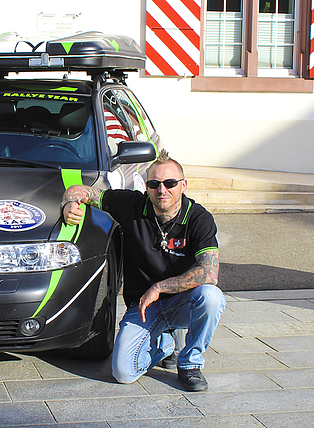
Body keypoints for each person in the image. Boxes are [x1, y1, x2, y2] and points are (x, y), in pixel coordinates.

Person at [61, 149, 224, 392]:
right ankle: (166, 344)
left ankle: (190, 364)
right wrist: (68, 205)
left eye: (170, 183)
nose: (162, 190)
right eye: (154, 183)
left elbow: (209, 273)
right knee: (123, 372)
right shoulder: (131, 205)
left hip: (181, 302)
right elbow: (79, 190)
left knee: (211, 297)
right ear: (146, 186)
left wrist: (159, 288)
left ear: (183, 185)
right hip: (142, 307)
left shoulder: (199, 219)